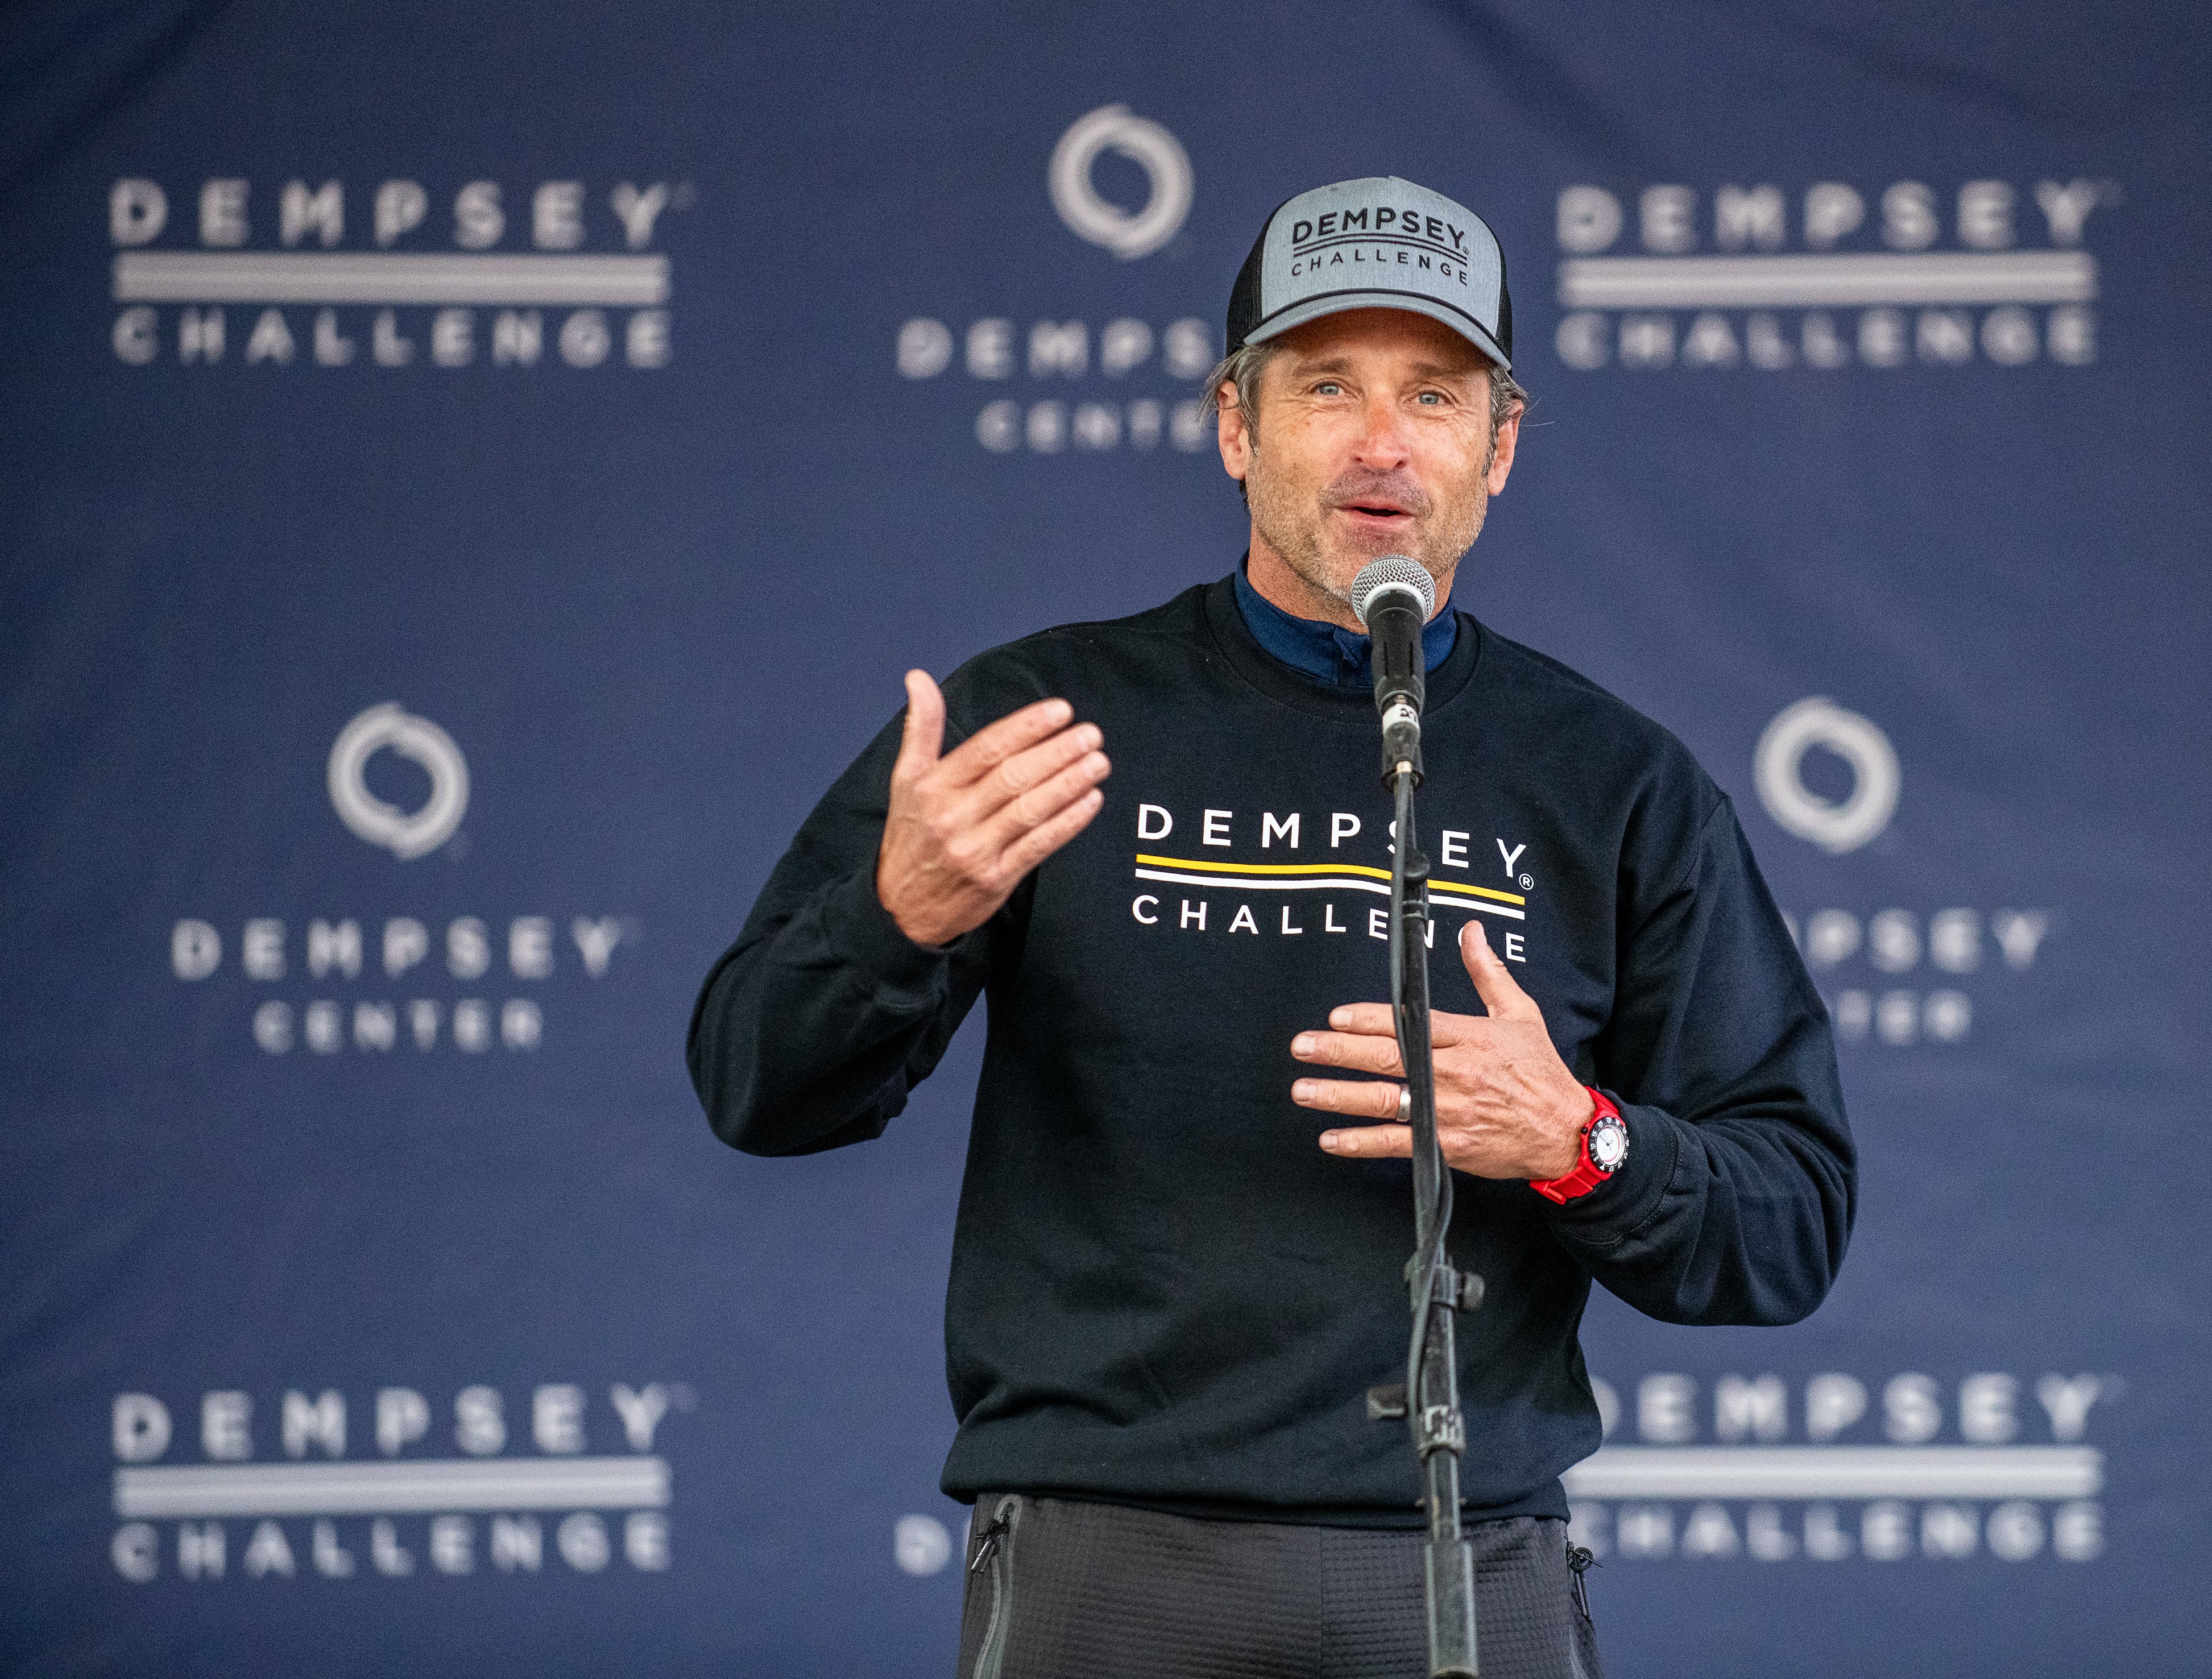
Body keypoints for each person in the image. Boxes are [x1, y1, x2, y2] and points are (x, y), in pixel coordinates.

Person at [689, 176, 1855, 1679]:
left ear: (1498, 448)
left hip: (1468, 1559)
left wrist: (1578, 1139)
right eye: (1326, 387)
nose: (1382, 443)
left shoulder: (1616, 783)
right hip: (1110, 1563)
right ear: (1236, 425)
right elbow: (756, 1083)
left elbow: (1789, 1218)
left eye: (1433, 395)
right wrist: (892, 922)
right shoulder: (1041, 724)